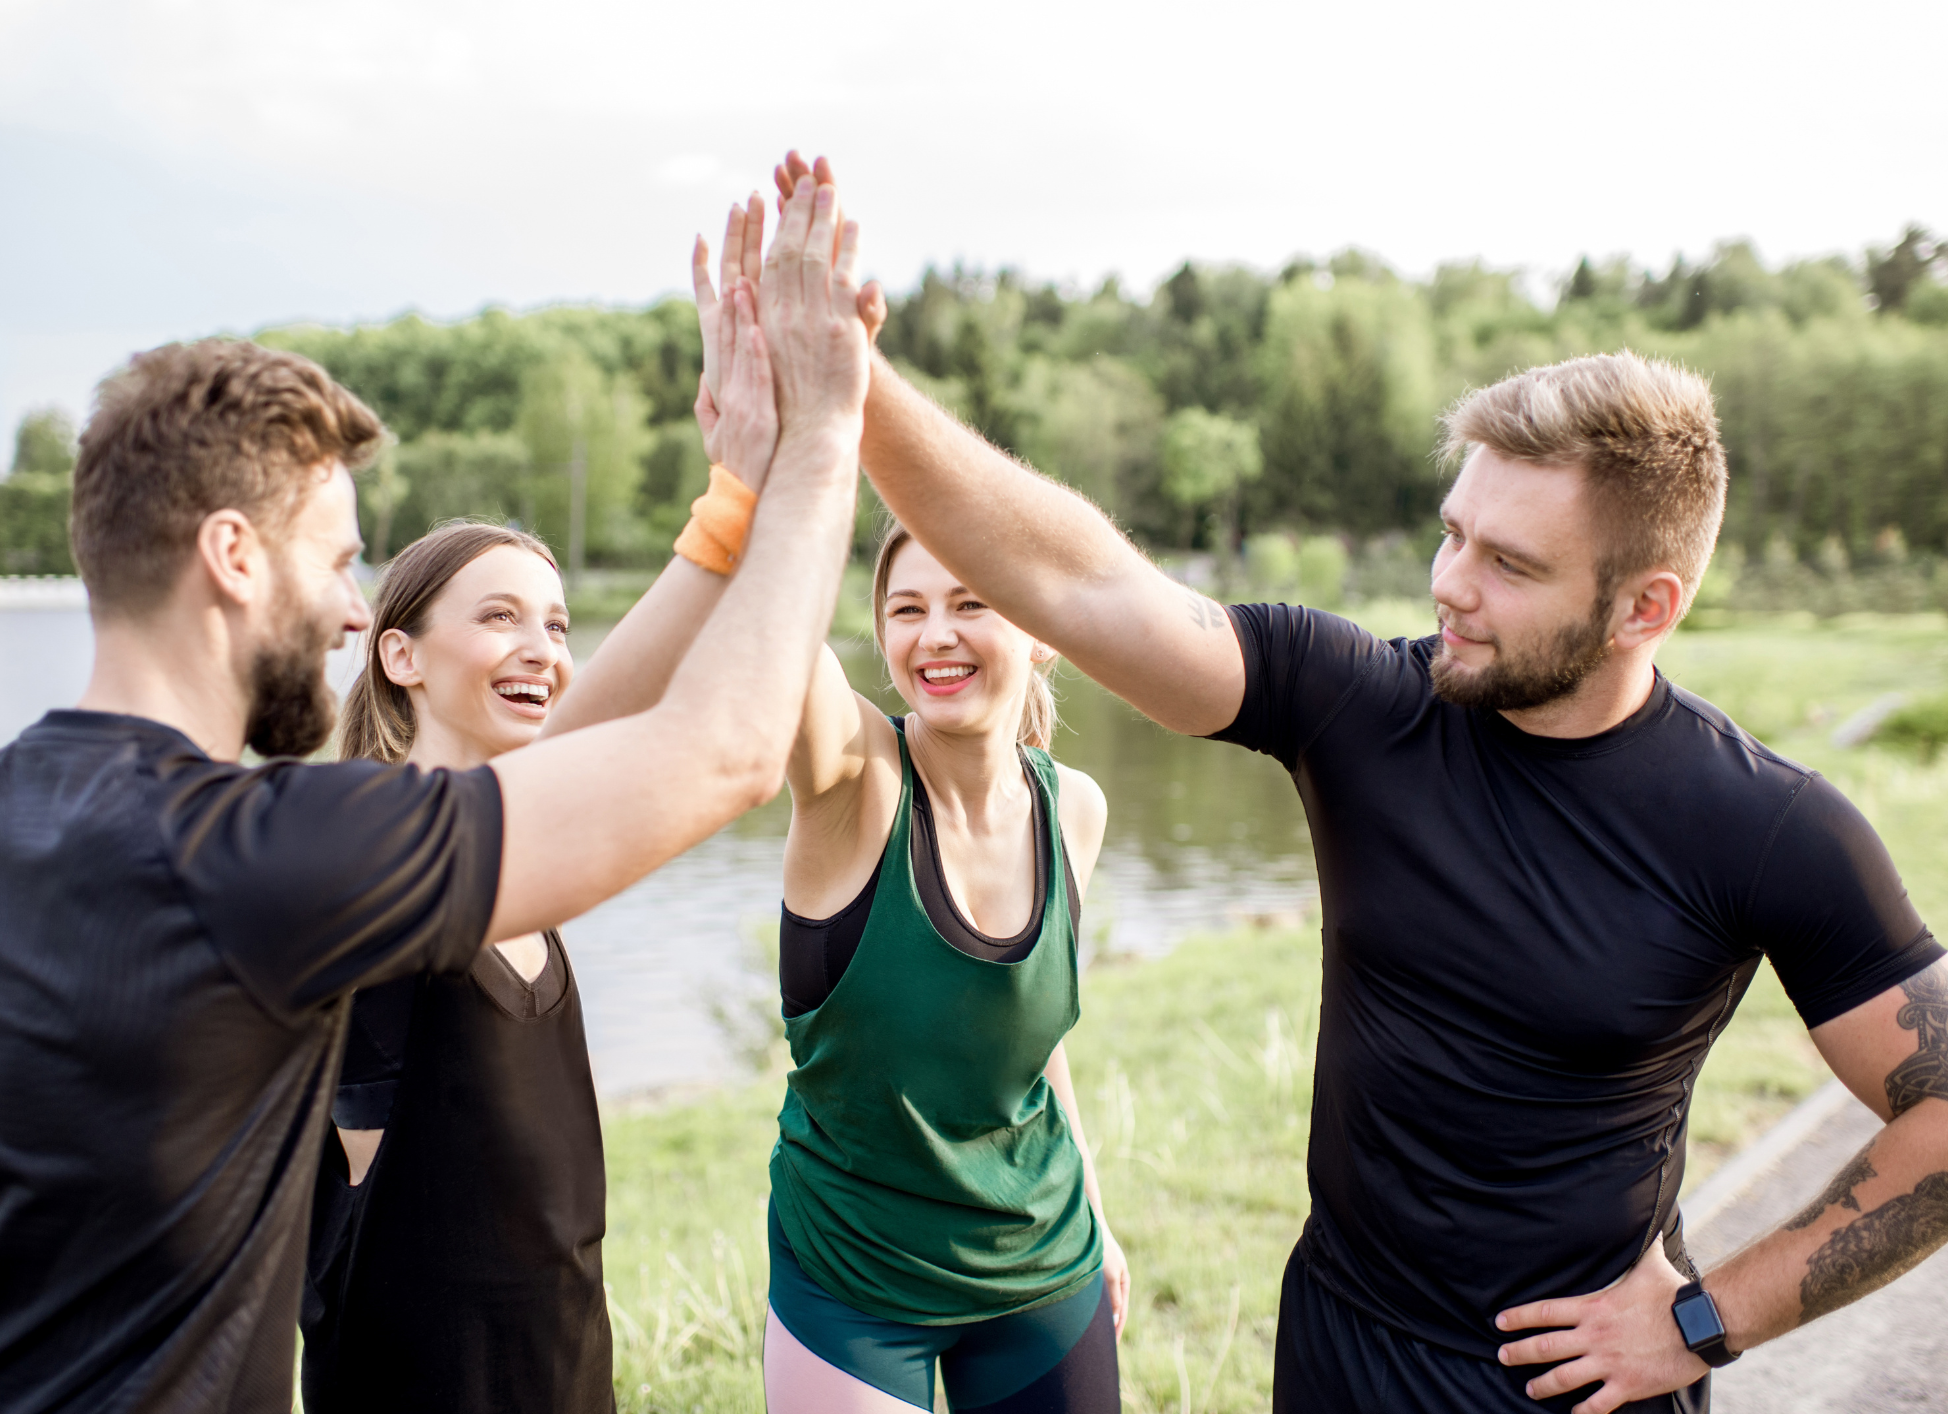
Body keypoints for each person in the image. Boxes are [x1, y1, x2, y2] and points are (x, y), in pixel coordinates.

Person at [771, 179, 1948, 1414]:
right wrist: (853, 386)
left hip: (1567, 1391)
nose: (1449, 584)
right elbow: (1086, 587)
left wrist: (1708, 1318)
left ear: (1642, 605)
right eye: (1452, 533)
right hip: (1332, 1356)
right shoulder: (1362, 706)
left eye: (1508, 563)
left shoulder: (1766, 826)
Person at [0, 170, 871, 1414]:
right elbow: (725, 752)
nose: (344, 607)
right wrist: (821, 443)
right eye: (334, 562)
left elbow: (559, 762)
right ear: (230, 556)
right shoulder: (258, 861)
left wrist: (729, 504)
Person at [760, 521, 1126, 1414]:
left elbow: (1028, 1038)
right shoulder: (855, 780)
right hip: (855, 1275)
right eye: (907, 610)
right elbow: (780, 634)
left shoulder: (1072, 807)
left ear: (1039, 629)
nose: (936, 635)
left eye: (972, 604)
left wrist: (1100, 1219)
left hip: (1041, 1256)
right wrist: (776, 469)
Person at [293, 522, 603, 1412]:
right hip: (424, 1374)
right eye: (501, 617)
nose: (540, 650)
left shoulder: (517, 855)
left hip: (565, 1358)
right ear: (401, 656)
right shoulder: (373, 856)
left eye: (557, 625)